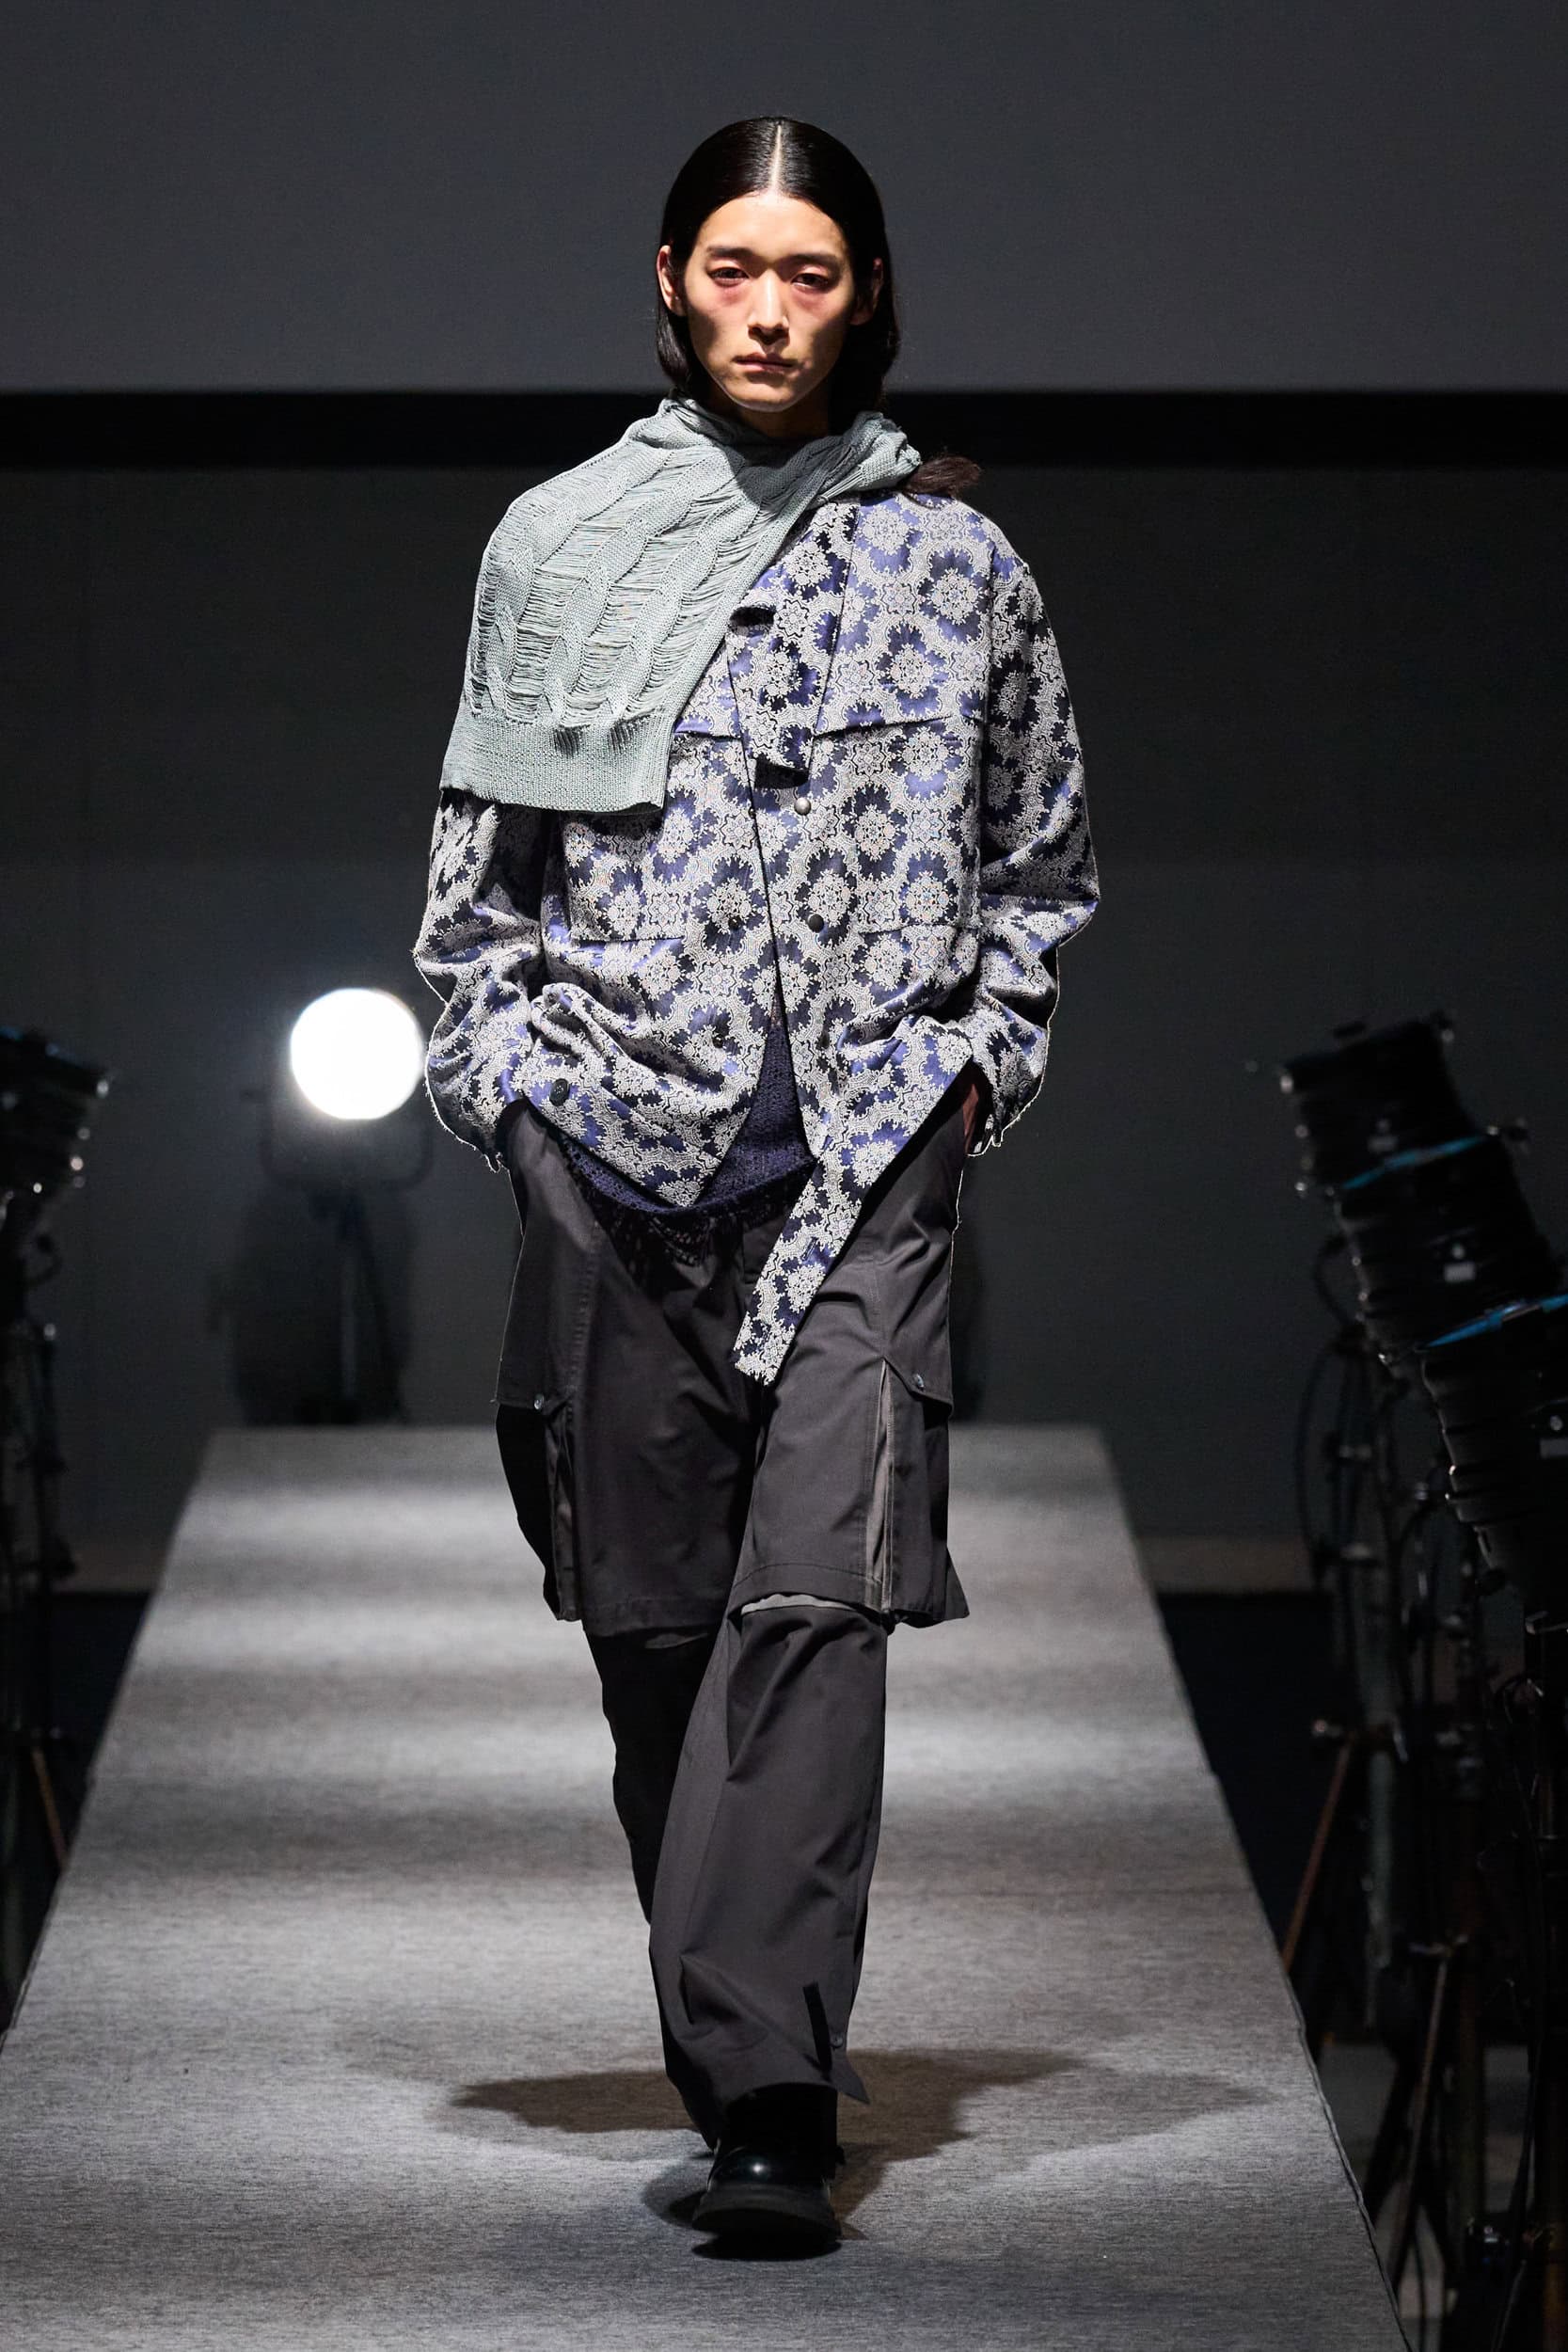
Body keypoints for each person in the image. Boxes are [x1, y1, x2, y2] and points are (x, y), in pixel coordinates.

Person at [413, 115, 1100, 2249]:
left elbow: (1040, 867)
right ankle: (738, 2038)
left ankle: (777, 2094)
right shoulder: (556, 547)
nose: (773, 310)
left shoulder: (960, 569)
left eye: (811, 273)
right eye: (735, 268)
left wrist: (972, 1078)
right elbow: (476, 905)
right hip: (614, 1157)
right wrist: (518, 1109)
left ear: (865, 294)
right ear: (671, 280)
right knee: (655, 1633)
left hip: (868, 1161)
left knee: (816, 1610)